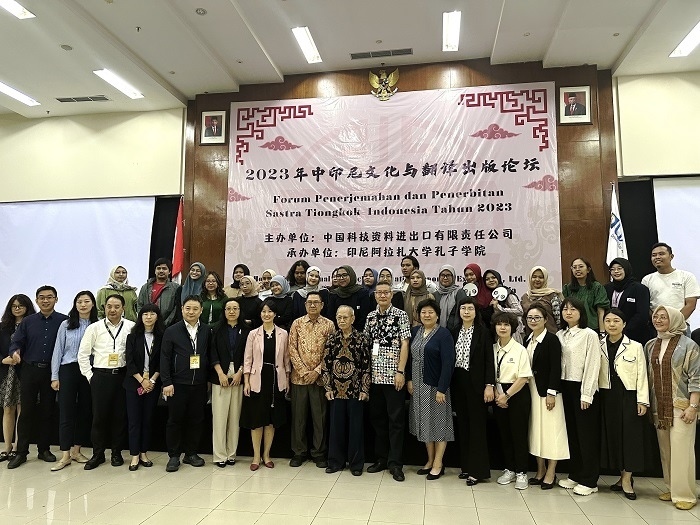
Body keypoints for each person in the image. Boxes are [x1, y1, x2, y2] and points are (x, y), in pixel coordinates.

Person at [645, 305, 700, 511]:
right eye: (656, 317)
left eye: (663, 317)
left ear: (675, 320)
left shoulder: (689, 345)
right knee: (666, 452)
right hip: (659, 407)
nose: (658, 320)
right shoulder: (651, 345)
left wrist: (693, 406)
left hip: (682, 407)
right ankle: (672, 488)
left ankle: (686, 494)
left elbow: (696, 378)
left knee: (682, 452)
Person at [7, 286, 68, 469]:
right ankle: (21, 452)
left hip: (51, 372)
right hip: (29, 370)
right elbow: (17, 342)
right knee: (26, 412)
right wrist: (15, 352)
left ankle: (44, 449)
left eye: (49, 297)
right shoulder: (28, 321)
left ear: (56, 299)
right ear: (36, 300)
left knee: (47, 411)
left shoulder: (64, 321)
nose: (45, 300)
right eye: (42, 297)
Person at [78, 294, 134, 470]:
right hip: (100, 377)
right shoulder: (94, 328)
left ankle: (116, 453)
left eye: (117, 306)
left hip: (122, 376)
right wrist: (90, 376)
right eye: (109, 306)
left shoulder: (131, 327)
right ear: (104, 308)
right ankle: (98, 454)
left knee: (120, 417)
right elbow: (83, 354)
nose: (112, 310)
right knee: (99, 417)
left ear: (123, 308)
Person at [599, 308, 648, 500]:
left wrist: (642, 400)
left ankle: (627, 480)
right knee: (613, 437)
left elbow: (642, 374)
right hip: (606, 395)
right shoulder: (598, 344)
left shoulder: (635, 346)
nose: (611, 324)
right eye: (608, 321)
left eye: (616, 321)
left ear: (624, 324)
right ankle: (621, 477)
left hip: (628, 395)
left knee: (629, 438)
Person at [364, 282, 410, 482]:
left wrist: (401, 371)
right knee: (378, 420)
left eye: (386, 292)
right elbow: (366, 345)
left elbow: (405, 344)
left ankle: (395, 463)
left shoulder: (401, 315)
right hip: (374, 377)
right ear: (375, 295)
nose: (382, 295)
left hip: (394, 377)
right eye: (379, 293)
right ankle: (381, 459)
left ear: (392, 295)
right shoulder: (370, 316)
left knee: (396, 421)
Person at [556, 297, 602, 496]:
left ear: (581, 313)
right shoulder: (560, 334)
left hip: (582, 388)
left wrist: (587, 394)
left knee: (586, 436)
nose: (568, 312)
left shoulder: (589, 334)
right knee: (572, 434)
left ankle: (590, 480)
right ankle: (575, 474)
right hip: (564, 386)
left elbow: (593, 364)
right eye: (565, 309)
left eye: (573, 309)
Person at [160, 295, 211, 472]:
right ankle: (174, 456)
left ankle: (191, 453)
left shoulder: (206, 330)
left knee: (196, 420)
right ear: (182, 309)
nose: (191, 312)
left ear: (201, 310)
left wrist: (208, 380)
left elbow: (209, 355)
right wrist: (166, 382)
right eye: (188, 308)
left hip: (199, 384)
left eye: (195, 309)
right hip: (177, 384)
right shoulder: (172, 331)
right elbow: (164, 358)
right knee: (175, 420)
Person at [407, 299, 455, 480]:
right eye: (423, 312)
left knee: (439, 424)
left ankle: (438, 463)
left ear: (437, 315)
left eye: (430, 312)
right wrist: (409, 379)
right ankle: (429, 460)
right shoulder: (415, 332)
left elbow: (448, 363)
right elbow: (409, 359)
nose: (426, 315)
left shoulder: (444, 334)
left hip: (436, 387)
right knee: (424, 423)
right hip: (418, 387)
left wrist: (442, 388)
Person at [49, 291, 97, 471]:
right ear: (75, 304)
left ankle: (77, 451)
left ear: (93, 304)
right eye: (79, 301)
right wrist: (55, 376)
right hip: (68, 369)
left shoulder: (97, 325)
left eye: (86, 301)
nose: (83, 305)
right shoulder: (66, 324)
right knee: (66, 412)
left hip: (89, 371)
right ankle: (65, 455)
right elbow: (58, 350)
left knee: (85, 411)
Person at [449, 297, 494, 485]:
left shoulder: (483, 332)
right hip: (458, 383)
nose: (466, 312)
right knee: (464, 426)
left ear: (476, 312)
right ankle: (466, 467)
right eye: (463, 308)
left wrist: (489, 385)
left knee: (477, 427)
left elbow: (489, 360)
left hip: (477, 384)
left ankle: (478, 471)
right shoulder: (454, 331)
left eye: (470, 309)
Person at [322, 305, 371, 476]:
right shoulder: (332, 338)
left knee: (356, 429)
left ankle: (356, 464)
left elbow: (366, 366)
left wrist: (365, 388)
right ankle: (335, 462)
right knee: (336, 429)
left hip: (355, 391)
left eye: (345, 317)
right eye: (339, 317)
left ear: (353, 319)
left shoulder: (362, 339)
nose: (342, 320)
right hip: (336, 391)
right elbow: (326, 365)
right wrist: (327, 387)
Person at [241, 300, 290, 471]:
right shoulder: (253, 334)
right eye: (263, 311)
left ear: (275, 314)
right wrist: (246, 381)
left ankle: (266, 455)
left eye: (270, 311)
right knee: (257, 420)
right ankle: (256, 456)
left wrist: (287, 379)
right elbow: (247, 359)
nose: (266, 314)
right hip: (257, 380)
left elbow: (286, 359)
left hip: (276, 380)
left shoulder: (283, 334)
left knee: (271, 421)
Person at [288, 291, 335, 468]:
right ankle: (299, 452)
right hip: (299, 378)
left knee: (319, 418)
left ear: (322, 305)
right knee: (298, 418)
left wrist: (316, 371)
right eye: (309, 302)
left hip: (320, 379)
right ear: (305, 305)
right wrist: (303, 371)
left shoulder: (329, 325)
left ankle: (319, 453)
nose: (313, 305)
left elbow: (331, 351)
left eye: (316, 302)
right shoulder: (297, 323)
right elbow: (291, 348)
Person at [524, 304, 569, 490]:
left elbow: (555, 368)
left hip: (548, 393)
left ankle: (551, 472)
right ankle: (540, 469)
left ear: (545, 320)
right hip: (532, 391)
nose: (533, 321)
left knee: (551, 431)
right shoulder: (528, 339)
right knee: (537, 431)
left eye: (537, 318)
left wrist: (552, 392)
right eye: (530, 318)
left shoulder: (551, 340)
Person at [492, 312, 532, 491]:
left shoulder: (520, 349)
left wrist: (506, 395)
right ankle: (509, 469)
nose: (502, 327)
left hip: (516, 394)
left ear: (512, 328)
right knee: (504, 434)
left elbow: (523, 377)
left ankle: (522, 472)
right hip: (498, 393)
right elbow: (491, 374)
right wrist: (497, 394)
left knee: (518, 435)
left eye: (506, 325)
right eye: (499, 324)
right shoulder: (492, 348)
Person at [209, 297, 249, 468]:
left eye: (235, 308)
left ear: (240, 311)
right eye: (228, 308)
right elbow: (212, 352)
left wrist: (240, 372)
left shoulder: (247, 330)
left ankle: (231, 454)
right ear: (224, 311)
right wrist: (220, 373)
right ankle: (220, 455)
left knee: (234, 417)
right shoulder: (215, 329)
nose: (232, 311)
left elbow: (249, 354)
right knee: (220, 418)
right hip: (220, 376)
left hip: (239, 375)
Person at [124, 304, 164, 471]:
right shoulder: (132, 337)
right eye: (145, 314)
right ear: (140, 317)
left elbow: (163, 361)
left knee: (147, 420)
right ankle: (134, 455)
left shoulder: (162, 336)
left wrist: (152, 381)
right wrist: (142, 381)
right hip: (134, 383)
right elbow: (130, 362)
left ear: (157, 317)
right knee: (134, 420)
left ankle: (143, 453)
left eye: (152, 314)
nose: (148, 317)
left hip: (153, 384)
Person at [0, 294, 35, 462]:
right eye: (14, 306)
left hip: (25, 371)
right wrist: (3, 360)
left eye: (21, 306)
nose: (17, 308)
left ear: (27, 307)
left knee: (23, 410)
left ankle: (17, 447)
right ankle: (6, 447)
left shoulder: (33, 325)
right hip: (7, 373)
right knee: (8, 409)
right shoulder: (3, 327)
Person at [642, 243, 700, 331]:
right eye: (654, 255)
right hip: (656, 328)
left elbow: (690, 305)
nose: (657, 257)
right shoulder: (647, 279)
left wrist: (674, 323)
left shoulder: (686, 276)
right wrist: (658, 322)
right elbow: (645, 306)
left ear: (671, 256)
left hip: (681, 327)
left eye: (661, 254)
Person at [604, 258, 652, 344]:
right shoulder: (606, 288)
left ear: (626, 269)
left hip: (634, 334)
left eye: (619, 268)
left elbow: (642, 315)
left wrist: (623, 330)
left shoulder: (640, 289)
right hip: (611, 333)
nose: (616, 271)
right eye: (613, 269)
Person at [563, 257, 610, 333]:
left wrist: (602, 331)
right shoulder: (568, 288)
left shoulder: (596, 287)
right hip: (573, 328)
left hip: (592, 328)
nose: (577, 269)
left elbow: (600, 311)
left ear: (588, 269)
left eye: (581, 266)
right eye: (574, 267)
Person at [520, 266, 564, 334]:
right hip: (530, 337)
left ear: (545, 279)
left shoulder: (552, 295)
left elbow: (559, 320)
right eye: (534, 277)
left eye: (541, 277)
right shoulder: (525, 297)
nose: (537, 279)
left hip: (550, 336)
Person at [137, 258, 180, 326]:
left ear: (169, 271)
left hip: (167, 326)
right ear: (155, 271)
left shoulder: (175, 288)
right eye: (158, 268)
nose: (161, 271)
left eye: (164, 268)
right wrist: (145, 320)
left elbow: (176, 308)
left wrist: (164, 324)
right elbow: (140, 305)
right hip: (147, 325)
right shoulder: (145, 287)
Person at [482, 269, 524, 340]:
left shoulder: (507, 293)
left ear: (498, 278)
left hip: (511, 333)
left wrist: (499, 308)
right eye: (487, 279)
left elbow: (519, 311)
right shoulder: (486, 296)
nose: (491, 280)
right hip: (495, 334)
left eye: (493, 277)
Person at [433, 264, 466, 332]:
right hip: (437, 331)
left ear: (453, 277)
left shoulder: (459, 292)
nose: (445, 278)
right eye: (442, 275)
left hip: (456, 331)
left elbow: (462, 313)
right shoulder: (435, 294)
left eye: (448, 275)